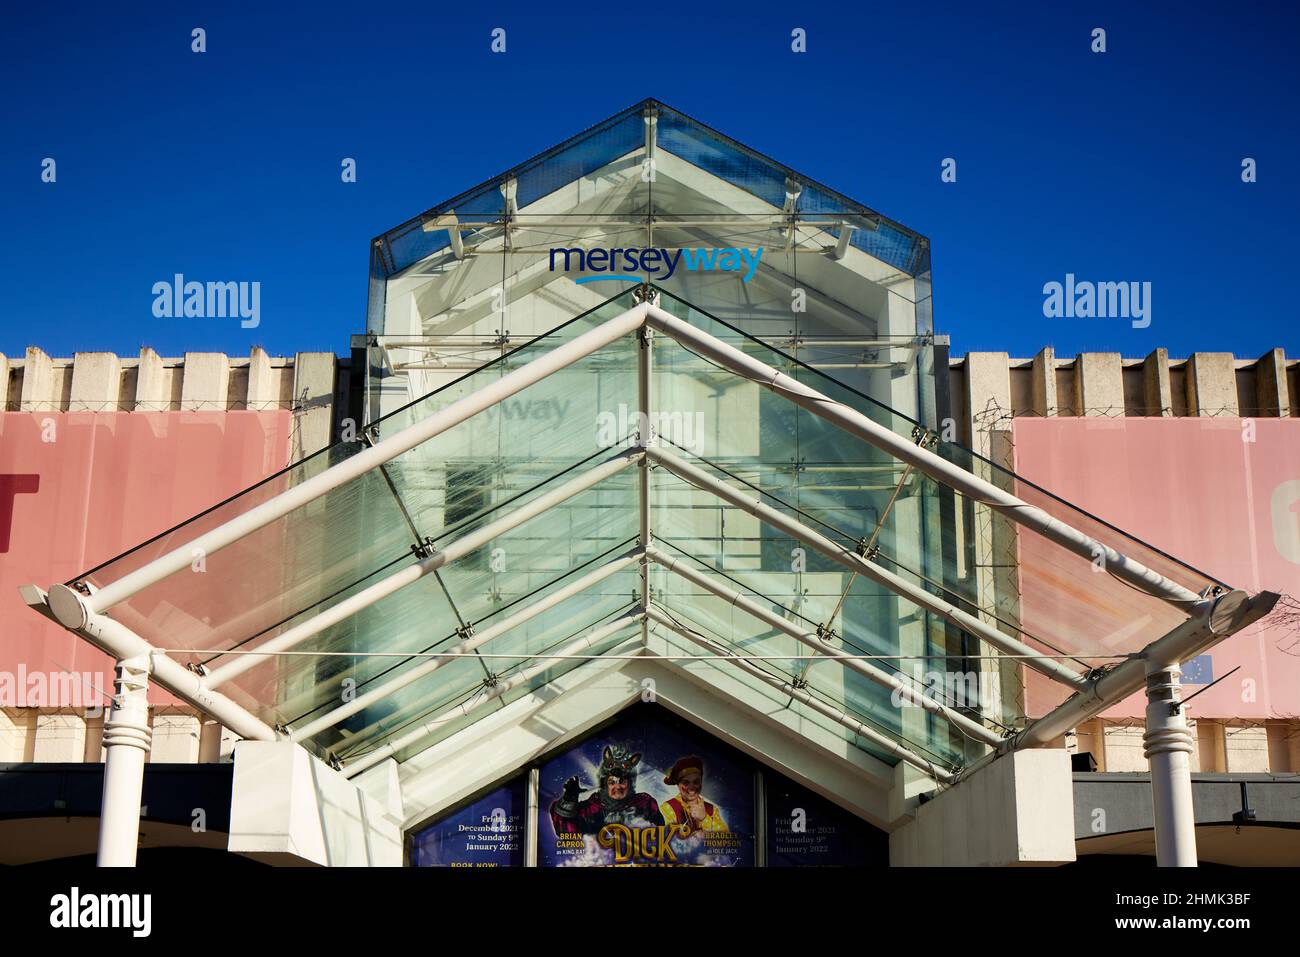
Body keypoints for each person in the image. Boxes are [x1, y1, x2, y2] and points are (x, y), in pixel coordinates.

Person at [549, 744, 664, 835]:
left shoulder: (645, 803)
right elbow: (565, 831)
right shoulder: (590, 809)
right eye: (612, 782)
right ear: (604, 784)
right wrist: (569, 799)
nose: (617, 787)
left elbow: (661, 836)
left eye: (622, 781)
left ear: (630, 783)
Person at [659, 756, 727, 835]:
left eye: (696, 782)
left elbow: (724, 839)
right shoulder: (668, 807)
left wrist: (704, 818)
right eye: (686, 783)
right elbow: (665, 840)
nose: (691, 788)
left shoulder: (712, 809)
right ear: (678, 785)